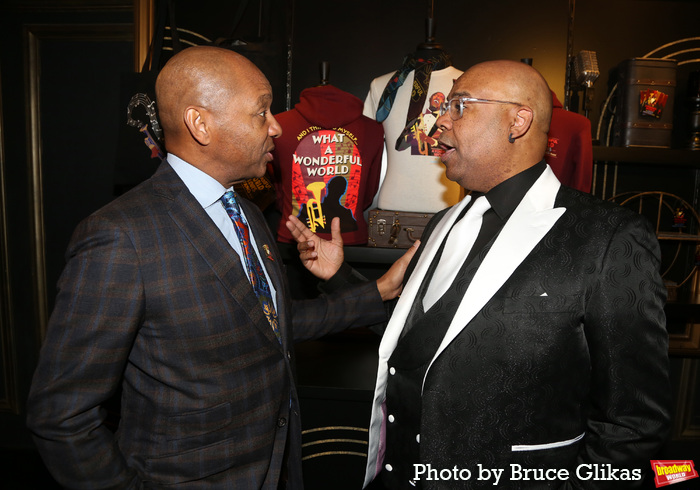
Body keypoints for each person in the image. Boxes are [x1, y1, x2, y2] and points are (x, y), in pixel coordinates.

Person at [26, 46, 415, 489]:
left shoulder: (245, 213)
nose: (275, 127)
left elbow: (272, 323)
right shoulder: (120, 238)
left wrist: (378, 290)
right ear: (201, 123)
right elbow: (61, 416)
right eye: (261, 112)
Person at [358, 60, 670, 489]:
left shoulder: (608, 237)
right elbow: (423, 344)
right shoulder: (442, 223)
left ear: (518, 121)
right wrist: (339, 278)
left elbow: (634, 421)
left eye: (459, 106)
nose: (437, 125)